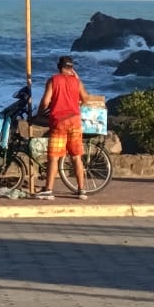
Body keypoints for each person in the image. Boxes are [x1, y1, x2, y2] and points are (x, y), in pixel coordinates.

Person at [36, 55, 90, 200]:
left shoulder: (53, 80)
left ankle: (48, 190)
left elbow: (46, 101)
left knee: (53, 157)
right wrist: (77, 105)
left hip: (59, 122)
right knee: (76, 157)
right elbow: (85, 98)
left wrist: (39, 113)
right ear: (71, 68)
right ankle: (81, 190)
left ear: (59, 67)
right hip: (75, 121)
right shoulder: (77, 82)